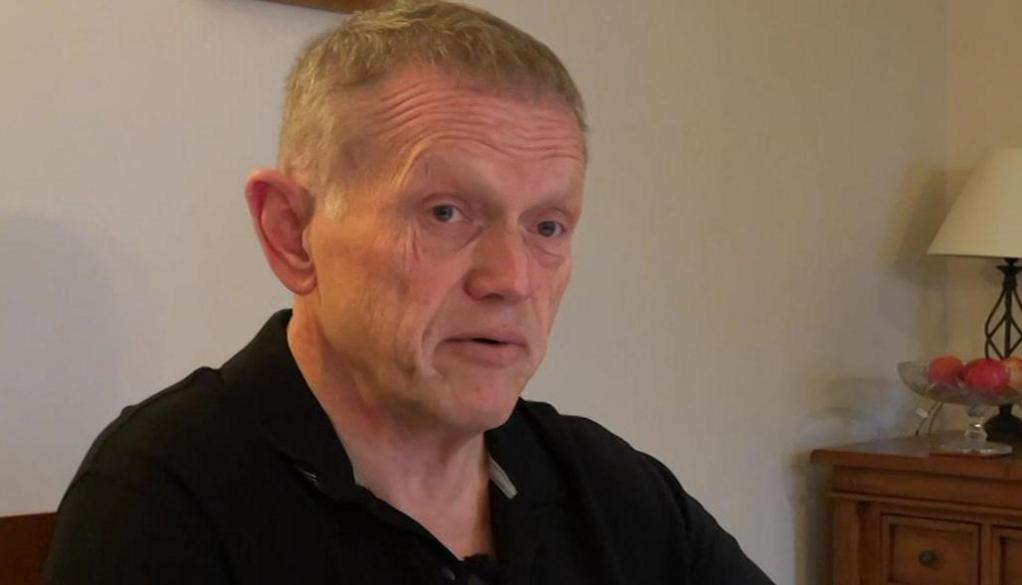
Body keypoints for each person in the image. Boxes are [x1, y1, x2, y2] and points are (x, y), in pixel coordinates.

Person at [45, 1, 773, 583]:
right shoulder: (162, 501)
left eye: (547, 225)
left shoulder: (612, 490)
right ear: (292, 232)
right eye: (446, 212)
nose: (513, 280)